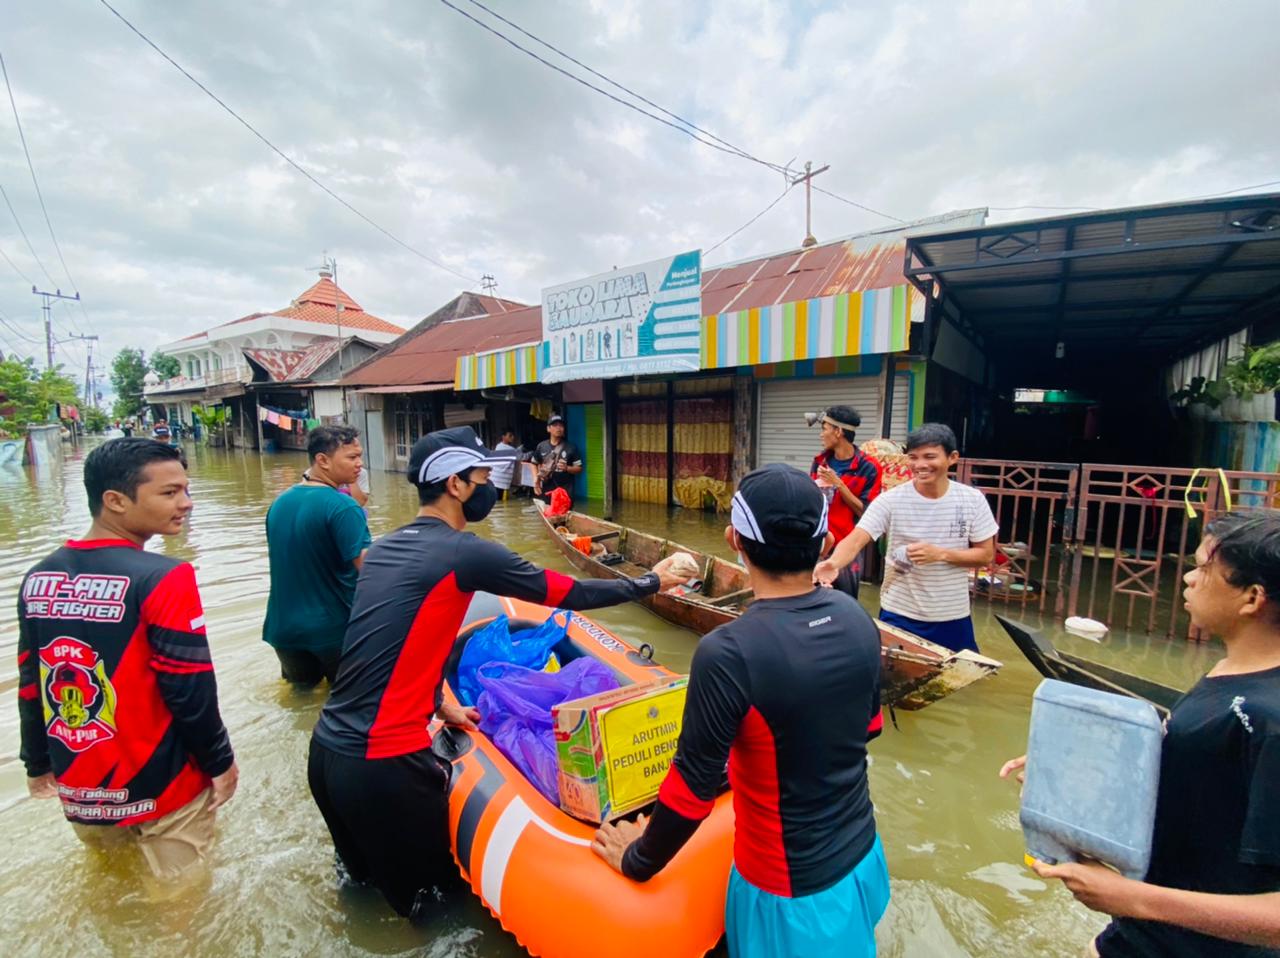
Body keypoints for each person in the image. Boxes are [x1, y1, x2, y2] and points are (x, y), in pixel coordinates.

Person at [307, 426, 688, 922]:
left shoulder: (382, 550)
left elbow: (387, 645)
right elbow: (569, 593)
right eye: (483, 477)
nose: (491, 488)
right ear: (455, 485)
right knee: (435, 916)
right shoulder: (465, 552)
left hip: (328, 756)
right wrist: (652, 581)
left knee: (361, 899)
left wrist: (441, 703)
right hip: (385, 768)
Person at [593, 463, 888, 958]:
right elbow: (869, 730)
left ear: (734, 540)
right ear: (824, 543)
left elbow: (690, 796)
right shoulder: (858, 619)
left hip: (788, 894)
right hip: (863, 857)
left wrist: (636, 860)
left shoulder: (729, 652)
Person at [1003, 510, 1280, 956]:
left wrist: (1135, 899)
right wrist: (1081, 768)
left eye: (1202, 568)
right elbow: (1203, 781)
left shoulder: (1269, 720)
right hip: (1142, 936)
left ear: (1252, 597)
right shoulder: (1233, 669)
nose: (1187, 579)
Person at [16, 437, 237, 883]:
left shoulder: (39, 576)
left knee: (112, 888)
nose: (187, 504)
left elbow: (31, 680)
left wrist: (36, 762)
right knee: (182, 912)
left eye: (186, 490)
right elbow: (189, 687)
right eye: (170, 493)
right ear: (115, 500)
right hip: (165, 785)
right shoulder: (165, 577)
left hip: (82, 784)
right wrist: (220, 763)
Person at [815, 422, 997, 653]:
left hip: (952, 614)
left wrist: (940, 554)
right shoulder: (891, 500)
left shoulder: (972, 500)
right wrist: (833, 563)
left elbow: (985, 554)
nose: (920, 465)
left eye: (930, 457)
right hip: (899, 612)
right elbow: (857, 537)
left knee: (957, 677)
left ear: (952, 457)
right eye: (913, 457)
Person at [262, 425, 370, 687]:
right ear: (322, 460)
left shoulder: (280, 503)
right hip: (333, 631)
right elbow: (369, 572)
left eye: (360, 456)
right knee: (348, 702)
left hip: (283, 630)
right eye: (352, 457)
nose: (360, 465)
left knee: (301, 698)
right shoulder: (343, 507)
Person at [808, 405, 882, 599]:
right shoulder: (820, 462)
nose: (821, 435)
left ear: (838, 432)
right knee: (812, 598)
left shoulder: (869, 468)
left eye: (824, 429)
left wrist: (839, 485)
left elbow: (867, 513)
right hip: (818, 545)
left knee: (845, 599)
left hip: (848, 548)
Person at [532, 414, 582, 503]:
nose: (558, 428)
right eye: (555, 425)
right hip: (548, 492)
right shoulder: (541, 446)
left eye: (561, 425)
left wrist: (567, 468)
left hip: (566, 492)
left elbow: (579, 468)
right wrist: (536, 479)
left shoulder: (571, 447)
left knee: (563, 515)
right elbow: (534, 463)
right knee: (549, 515)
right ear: (548, 429)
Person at [491, 428, 519, 500]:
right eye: (510, 436)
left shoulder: (498, 446)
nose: (512, 437)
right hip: (501, 482)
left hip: (495, 479)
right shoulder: (511, 450)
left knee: (497, 502)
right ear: (503, 437)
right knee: (501, 501)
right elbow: (521, 456)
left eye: (513, 435)